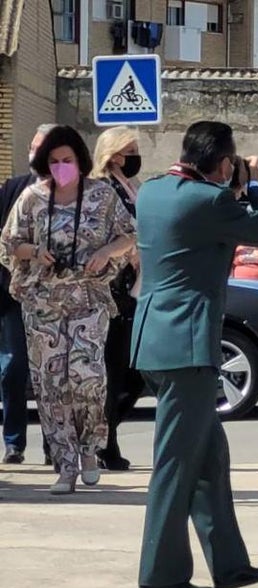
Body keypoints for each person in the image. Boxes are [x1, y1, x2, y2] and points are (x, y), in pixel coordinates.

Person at [131, 120, 258, 588]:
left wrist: (231, 183)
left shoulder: (153, 192)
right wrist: (254, 187)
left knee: (209, 459)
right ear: (222, 163)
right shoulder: (211, 201)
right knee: (177, 463)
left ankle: (230, 565)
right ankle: (161, 575)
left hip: (154, 340)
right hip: (187, 346)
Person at [0, 125, 136, 494]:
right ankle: (64, 463)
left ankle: (90, 449)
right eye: (55, 161)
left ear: (81, 161)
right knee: (50, 384)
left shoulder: (101, 196)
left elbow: (129, 235)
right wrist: (34, 253)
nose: (61, 167)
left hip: (88, 299)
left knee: (87, 378)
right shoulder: (31, 198)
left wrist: (107, 252)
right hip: (43, 302)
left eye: (68, 160)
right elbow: (10, 242)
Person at [90, 125, 148, 472]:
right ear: (113, 156)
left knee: (136, 373)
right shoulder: (102, 190)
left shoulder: (132, 188)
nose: (136, 157)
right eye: (131, 150)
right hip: (111, 290)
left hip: (135, 288)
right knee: (113, 371)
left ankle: (104, 434)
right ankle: (106, 444)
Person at [0, 123, 53, 465]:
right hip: (14, 294)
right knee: (14, 367)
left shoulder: (71, 191)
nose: (37, 153)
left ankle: (55, 444)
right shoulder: (14, 188)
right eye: (35, 147)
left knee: (50, 372)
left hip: (55, 296)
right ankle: (14, 442)